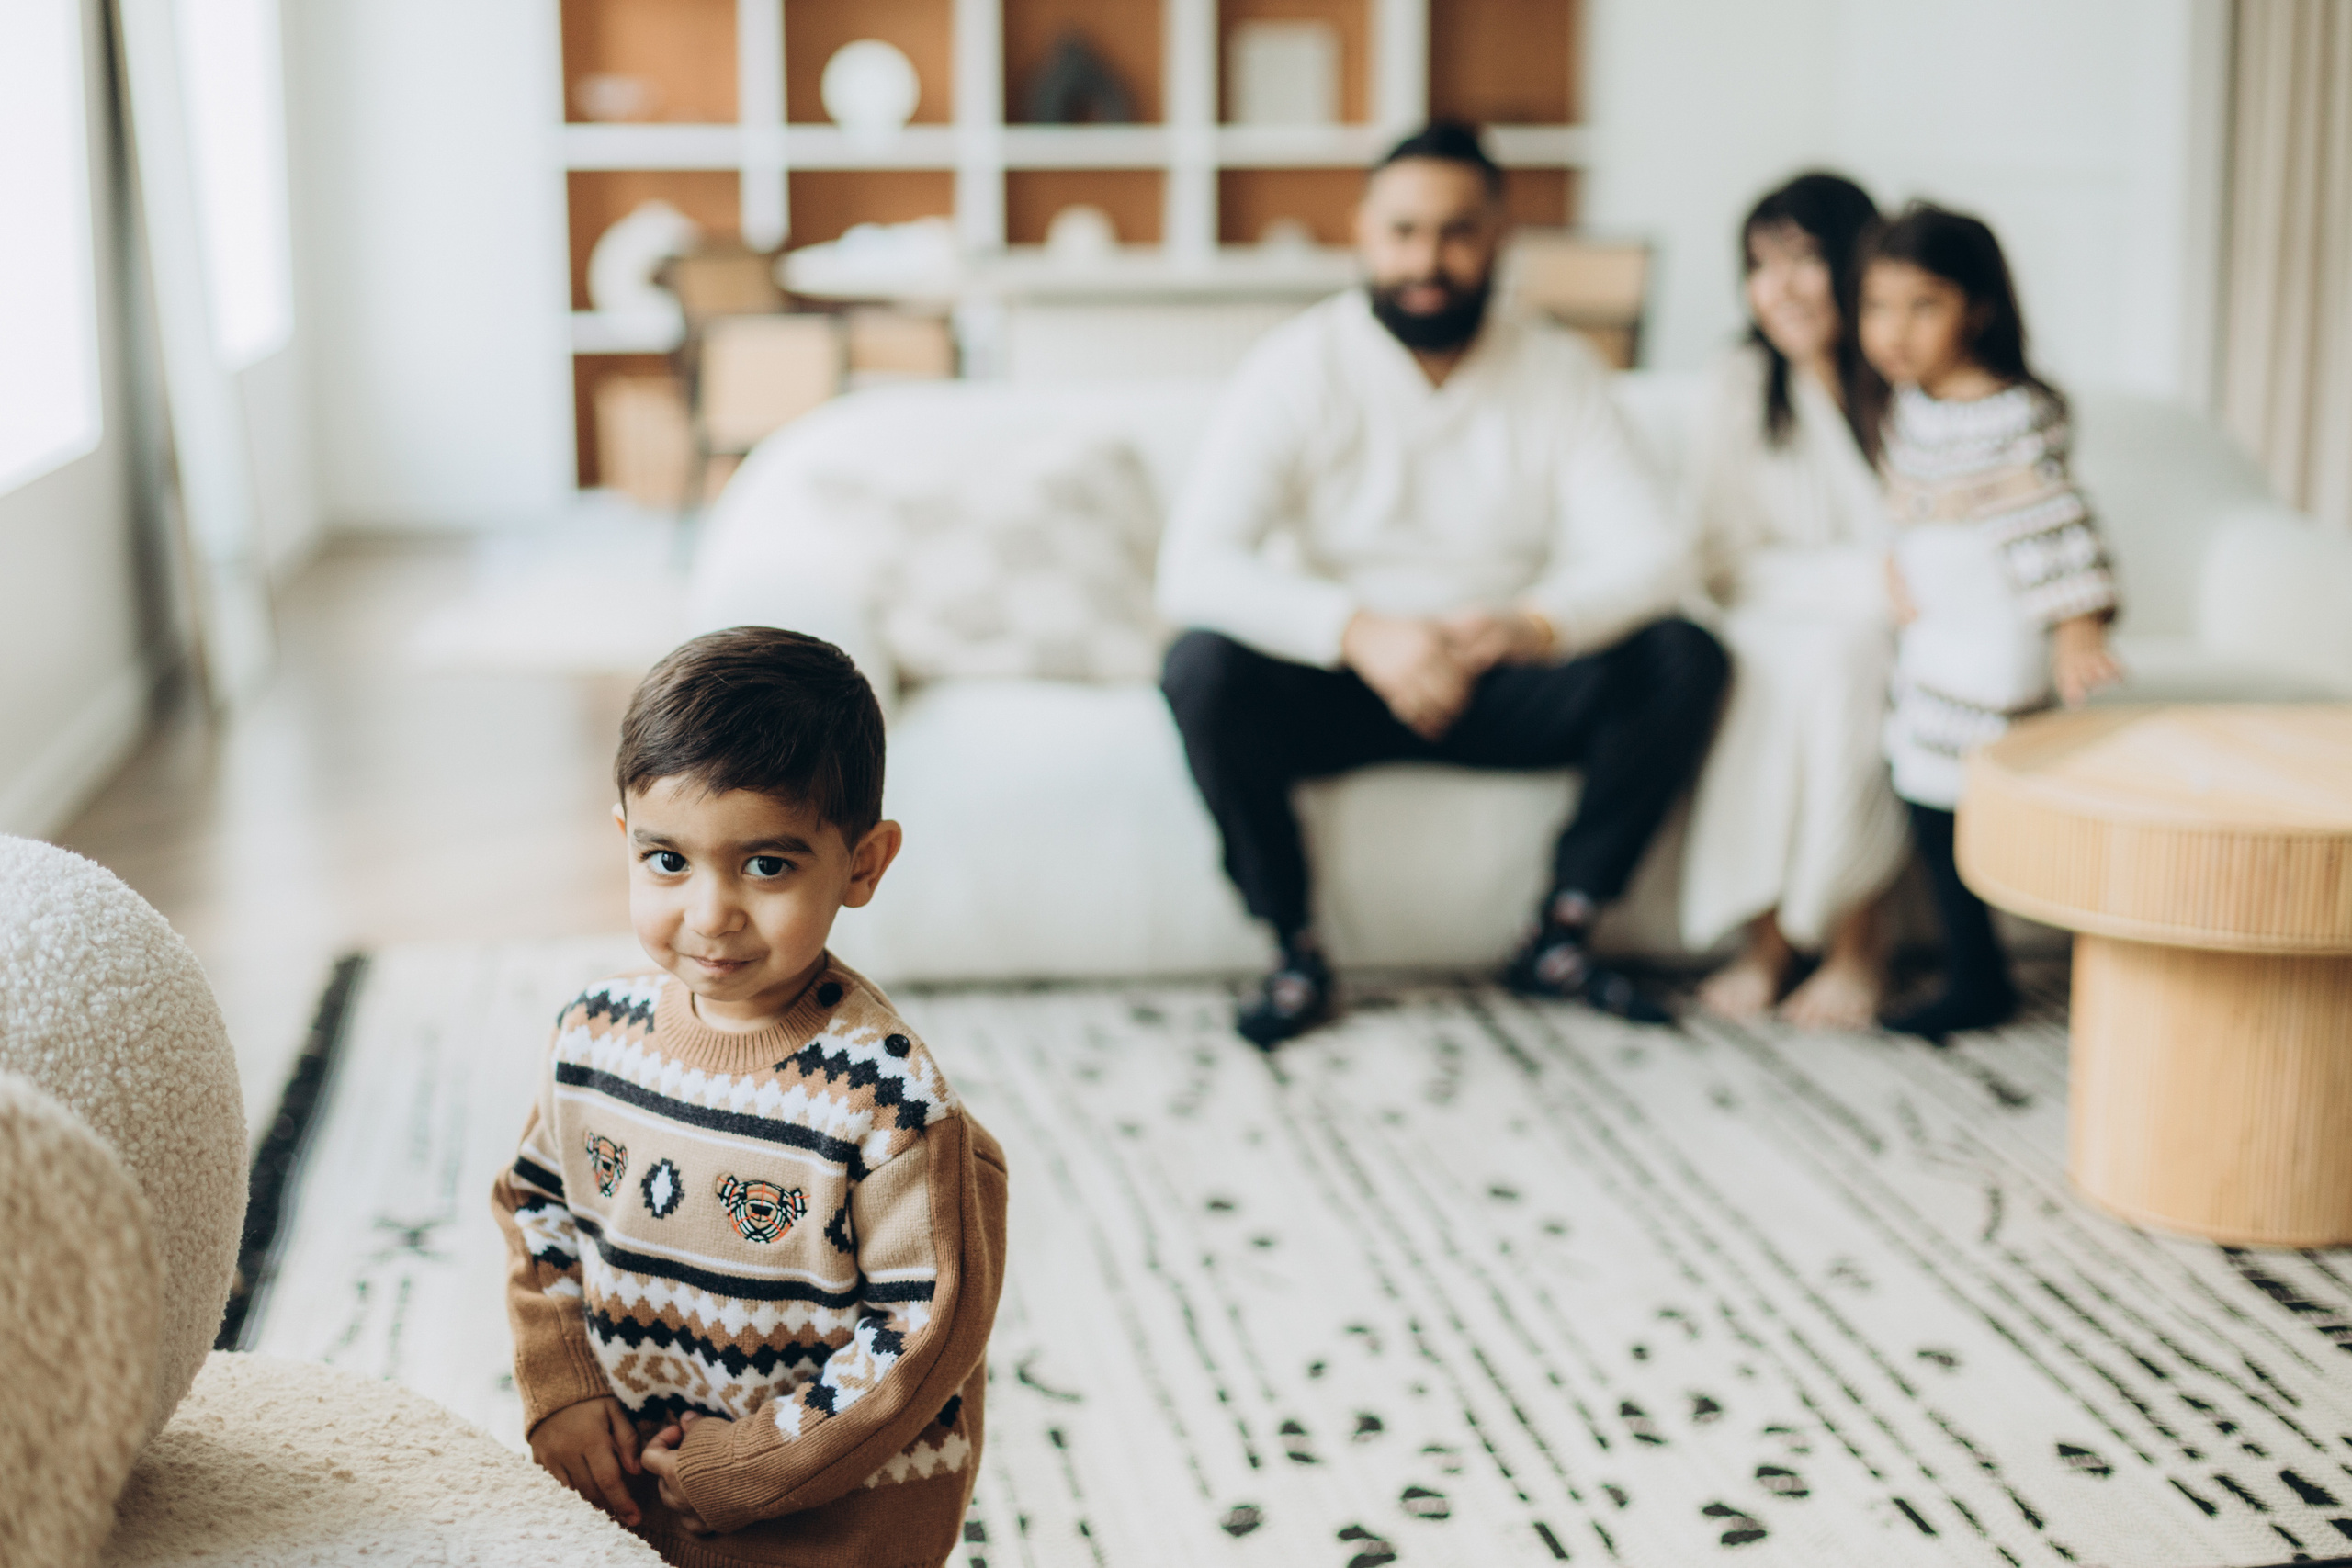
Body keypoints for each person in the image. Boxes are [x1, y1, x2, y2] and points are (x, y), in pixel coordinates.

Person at [1157, 121, 1728, 1048]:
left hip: (1499, 671)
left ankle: (1562, 936)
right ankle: (1293, 949)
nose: (1428, 260)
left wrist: (1537, 623)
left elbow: (1657, 556)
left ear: (1500, 236)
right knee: (1201, 666)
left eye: (1458, 232)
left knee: (1682, 654)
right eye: (1404, 231)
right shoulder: (1297, 366)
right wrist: (1359, 631)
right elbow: (1193, 567)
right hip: (1342, 680)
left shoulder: (1556, 370)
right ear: (1363, 232)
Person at [491, 627, 1009, 1568]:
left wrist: (747, 1464)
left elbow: (919, 1335)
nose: (710, 913)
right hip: (627, 1491)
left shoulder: (888, 1103)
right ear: (625, 839)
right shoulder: (590, 1036)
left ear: (862, 864)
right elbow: (538, 1206)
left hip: (832, 1526)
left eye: (766, 865)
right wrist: (564, 1385)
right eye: (667, 860)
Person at [1859, 204, 2121, 1042]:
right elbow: (1907, 509)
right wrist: (1896, 565)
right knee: (1928, 797)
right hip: (1935, 636)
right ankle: (1976, 970)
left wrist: (2078, 628)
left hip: (1994, 637)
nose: (1894, 331)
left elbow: (2057, 525)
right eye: (1878, 307)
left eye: (1923, 306)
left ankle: (2057, 964)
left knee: (1987, 795)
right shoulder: (1911, 406)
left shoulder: (2012, 415)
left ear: (1977, 309)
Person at [1680, 173, 1912, 1029]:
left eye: (1803, 260)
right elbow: (1719, 561)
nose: (1779, 288)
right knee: (1807, 665)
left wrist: (1878, 593)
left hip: (1888, 624)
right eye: (1758, 266)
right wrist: (1859, 583)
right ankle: (1770, 938)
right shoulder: (1739, 381)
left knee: (1854, 659)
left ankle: (1855, 943)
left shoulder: (1906, 379)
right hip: (1768, 611)